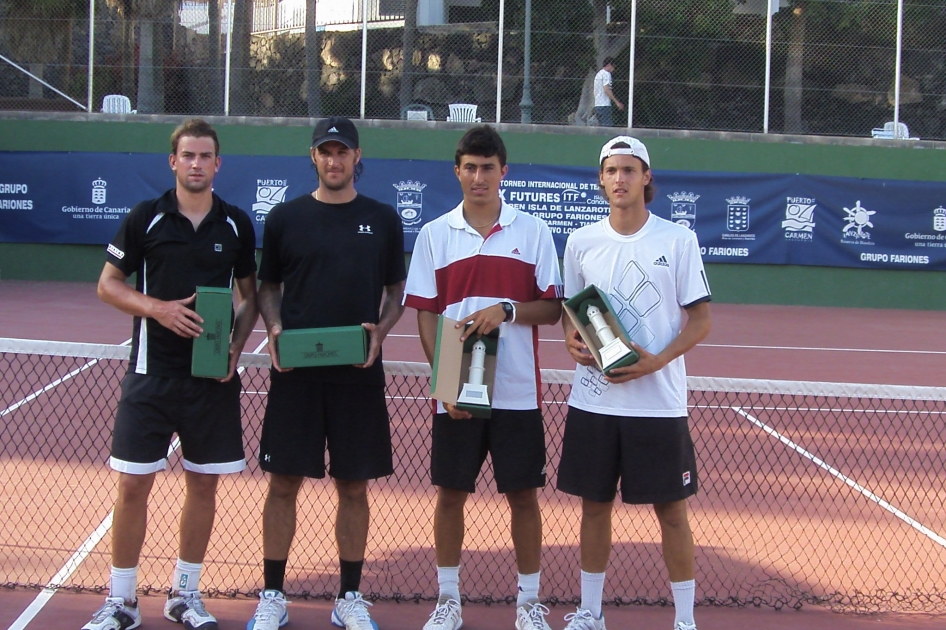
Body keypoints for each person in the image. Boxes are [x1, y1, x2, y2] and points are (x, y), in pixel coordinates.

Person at [85, 118, 259, 630]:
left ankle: (185, 594)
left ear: (217, 164)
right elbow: (107, 286)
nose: (197, 164)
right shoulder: (146, 218)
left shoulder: (236, 224)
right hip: (151, 377)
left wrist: (234, 347)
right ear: (173, 161)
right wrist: (157, 309)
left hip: (210, 381)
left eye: (206, 156)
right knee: (133, 487)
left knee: (203, 487)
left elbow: (249, 296)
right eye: (188, 156)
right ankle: (122, 601)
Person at [247, 116, 406, 630]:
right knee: (283, 484)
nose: (334, 160)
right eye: (325, 152)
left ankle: (350, 598)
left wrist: (380, 331)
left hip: (357, 373)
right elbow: (267, 286)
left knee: (354, 487)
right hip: (296, 369)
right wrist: (272, 327)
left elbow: (396, 293)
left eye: (343, 152)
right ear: (312, 157)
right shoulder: (286, 219)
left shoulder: (382, 218)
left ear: (358, 157)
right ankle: (273, 594)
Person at [403, 125, 564, 630]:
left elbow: (554, 308)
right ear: (457, 171)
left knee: (523, 496)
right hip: (457, 394)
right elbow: (426, 313)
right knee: (451, 494)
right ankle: (448, 601)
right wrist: (445, 379)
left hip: (516, 393)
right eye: (469, 167)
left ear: (503, 172)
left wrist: (508, 310)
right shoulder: (433, 234)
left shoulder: (533, 231)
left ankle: (528, 604)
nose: (478, 177)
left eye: (487, 168)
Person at [557, 136, 711, 630]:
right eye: (611, 170)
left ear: (646, 177)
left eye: (629, 170)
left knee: (672, 513)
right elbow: (571, 313)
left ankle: (684, 620)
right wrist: (571, 343)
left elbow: (701, 321)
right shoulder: (581, 241)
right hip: (595, 403)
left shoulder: (677, 239)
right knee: (594, 510)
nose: (619, 179)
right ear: (600, 179)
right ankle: (590, 613)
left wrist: (656, 361)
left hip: (658, 406)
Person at [593, 57, 624, 127]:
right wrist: (617, 102)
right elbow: (607, 89)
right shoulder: (607, 74)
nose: (614, 69)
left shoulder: (599, 74)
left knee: (602, 128)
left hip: (597, 105)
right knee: (607, 129)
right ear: (609, 65)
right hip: (605, 105)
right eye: (614, 66)